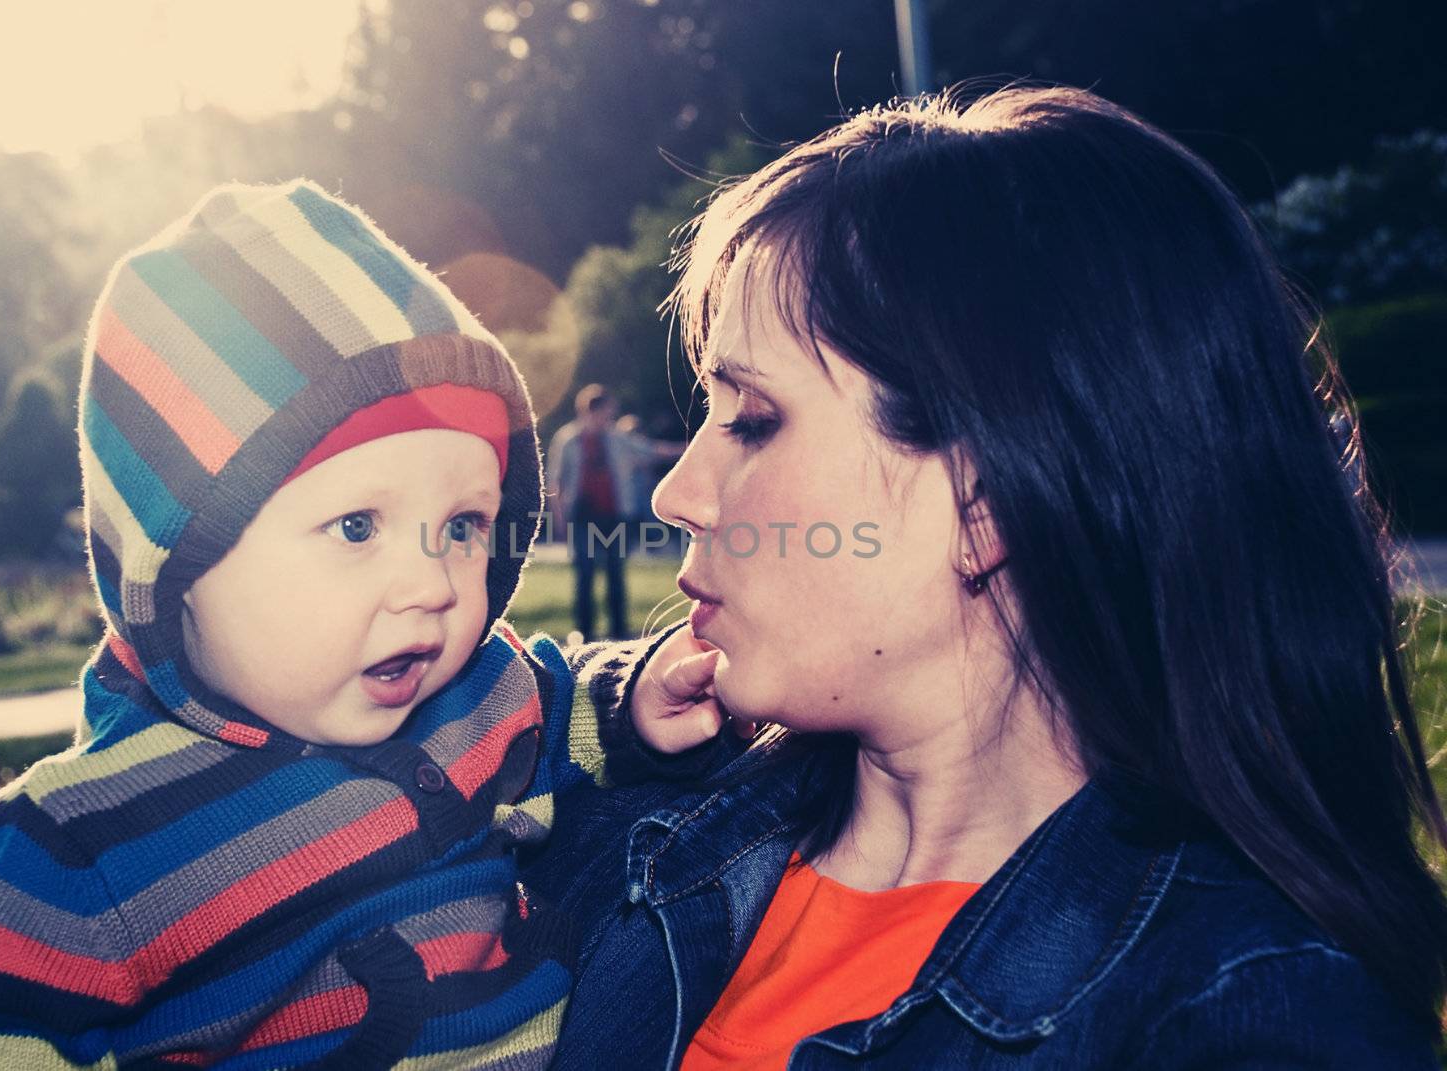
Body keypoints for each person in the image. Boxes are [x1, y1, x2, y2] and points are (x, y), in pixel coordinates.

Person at [527, 87, 1447, 1068]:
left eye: (752, 420)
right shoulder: (610, 844)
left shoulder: (1245, 1021)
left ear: (985, 507)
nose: (677, 491)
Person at [0, 181, 727, 1069]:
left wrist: (638, 697)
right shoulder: (79, 843)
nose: (431, 585)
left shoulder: (479, 695)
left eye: (461, 527)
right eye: (357, 528)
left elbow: (563, 699)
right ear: (177, 565)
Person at [549, 385, 681, 639]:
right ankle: (585, 633)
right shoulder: (568, 441)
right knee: (584, 576)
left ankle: (618, 631)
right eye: (605, 413)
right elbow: (556, 482)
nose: (608, 419)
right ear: (590, 411)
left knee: (615, 575)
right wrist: (560, 519)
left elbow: (649, 451)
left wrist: (686, 449)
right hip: (583, 518)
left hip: (614, 517)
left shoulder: (616, 439)